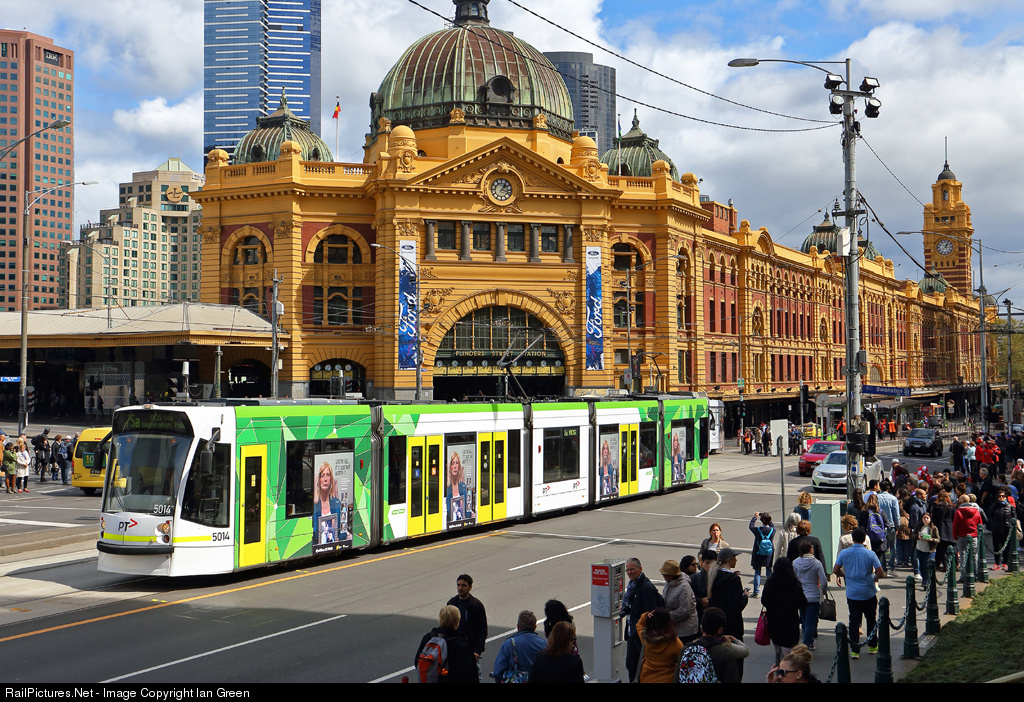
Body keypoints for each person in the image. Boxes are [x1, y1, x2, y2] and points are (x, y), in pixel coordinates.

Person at [832, 528, 884, 659]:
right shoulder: (870, 554)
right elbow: (880, 572)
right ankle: (872, 645)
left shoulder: (844, 553)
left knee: (854, 621)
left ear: (853, 538)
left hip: (852, 593)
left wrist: (845, 575)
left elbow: (836, 569)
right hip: (868, 591)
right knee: (871, 619)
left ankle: (855, 649)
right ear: (864, 539)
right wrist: (873, 578)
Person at [706, 548, 748, 678]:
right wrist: (745, 596)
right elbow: (738, 605)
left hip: (717, 624)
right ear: (729, 560)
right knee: (735, 664)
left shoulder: (714, 576)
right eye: (734, 557)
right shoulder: (734, 580)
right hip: (733, 626)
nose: (736, 560)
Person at [621, 558, 663, 682]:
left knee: (640, 665)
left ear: (640, 569)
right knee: (631, 664)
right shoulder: (633, 585)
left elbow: (651, 612)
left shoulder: (646, 587)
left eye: (632, 569)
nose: (629, 572)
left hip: (641, 634)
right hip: (632, 632)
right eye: (627, 570)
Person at [760, 557, 806, 665]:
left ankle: (778, 670)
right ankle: (787, 671)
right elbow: (802, 602)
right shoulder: (795, 584)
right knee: (789, 653)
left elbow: (764, 600)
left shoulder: (770, 583)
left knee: (778, 651)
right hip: (790, 622)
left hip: (774, 621)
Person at [415, 604, 477, 683]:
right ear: (457, 621)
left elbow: (417, 661)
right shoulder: (461, 645)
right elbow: (470, 674)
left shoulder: (428, 638)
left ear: (440, 620)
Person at [679, 606, 741, 683]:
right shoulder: (725, 653)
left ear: (701, 628)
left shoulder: (686, 650)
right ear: (720, 630)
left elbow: (677, 678)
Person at [446, 574, 487, 678]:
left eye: (463, 585)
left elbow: (482, 630)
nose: (460, 588)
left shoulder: (476, 605)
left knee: (475, 676)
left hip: (471, 650)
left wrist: (477, 651)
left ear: (470, 587)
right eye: (458, 585)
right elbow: (446, 626)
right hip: (454, 650)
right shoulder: (452, 604)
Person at [492, 610, 546, 683]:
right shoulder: (543, 644)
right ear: (535, 627)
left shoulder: (509, 644)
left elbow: (498, 671)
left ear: (518, 627)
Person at [793, 539, 828, 648]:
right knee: (810, 623)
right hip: (813, 595)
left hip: (800, 595)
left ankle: (810, 641)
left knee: (804, 620)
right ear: (810, 549)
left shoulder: (795, 562)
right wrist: (824, 591)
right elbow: (824, 581)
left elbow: (793, 579)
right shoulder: (817, 563)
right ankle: (805, 644)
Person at [636, 607, 684, 683]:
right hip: (667, 679)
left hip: (647, 678)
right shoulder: (674, 643)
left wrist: (646, 615)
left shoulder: (645, 638)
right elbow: (683, 661)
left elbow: (639, 624)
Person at [659, 560, 698, 642]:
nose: (663, 576)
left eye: (664, 574)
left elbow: (685, 610)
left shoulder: (684, 588)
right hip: (674, 626)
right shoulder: (669, 583)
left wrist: (667, 615)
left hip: (685, 630)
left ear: (671, 576)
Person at [312, 463, 343, 544]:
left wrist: (340, 539)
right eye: (322, 476)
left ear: (331, 479)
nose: (325, 479)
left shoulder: (337, 503)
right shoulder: (313, 506)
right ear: (319, 480)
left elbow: (341, 531)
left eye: (328, 475)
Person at [748, 512, 775, 598]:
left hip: (758, 552)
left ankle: (756, 591)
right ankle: (771, 589)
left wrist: (754, 517)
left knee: (757, 572)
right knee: (769, 570)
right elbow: (772, 525)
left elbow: (751, 526)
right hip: (769, 553)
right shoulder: (772, 530)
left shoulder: (757, 530)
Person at [988, 487, 1016, 571]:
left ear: (1006, 497)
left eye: (1003, 496)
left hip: (1007, 529)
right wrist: (993, 525)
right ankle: (997, 563)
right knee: (997, 547)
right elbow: (990, 516)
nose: (1001, 497)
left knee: (1007, 547)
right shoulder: (994, 506)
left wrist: (1010, 525)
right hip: (997, 529)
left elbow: (1014, 517)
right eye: (999, 496)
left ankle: (1005, 563)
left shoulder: (1010, 506)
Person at [913, 513, 940, 591]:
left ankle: (927, 582)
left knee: (927, 566)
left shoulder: (933, 528)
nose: (925, 520)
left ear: (930, 519)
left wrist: (931, 539)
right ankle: (924, 581)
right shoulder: (918, 526)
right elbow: (913, 535)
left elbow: (938, 539)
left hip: (930, 550)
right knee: (922, 566)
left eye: (927, 518)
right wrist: (918, 537)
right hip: (920, 548)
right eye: (924, 518)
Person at [446, 451, 470, 522]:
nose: (455, 466)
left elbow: (466, 510)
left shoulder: (463, 486)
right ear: (450, 467)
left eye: (457, 463)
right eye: (453, 463)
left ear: (459, 466)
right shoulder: (447, 488)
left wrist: (469, 516)